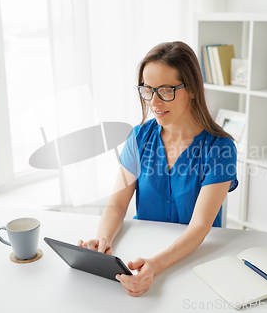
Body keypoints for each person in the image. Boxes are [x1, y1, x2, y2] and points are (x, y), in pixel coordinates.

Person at [78, 41, 238, 296]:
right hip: (141, 252)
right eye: (147, 90)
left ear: (193, 89)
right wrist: (104, 238)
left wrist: (155, 265)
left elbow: (200, 226)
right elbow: (118, 204)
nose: (154, 102)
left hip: (194, 261)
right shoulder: (139, 137)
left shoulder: (221, 148)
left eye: (165, 90)